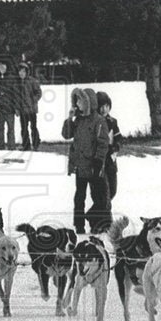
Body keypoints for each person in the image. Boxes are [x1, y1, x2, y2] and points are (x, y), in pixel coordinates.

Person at [62, 87, 110, 233]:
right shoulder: (78, 120)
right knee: (79, 197)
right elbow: (66, 135)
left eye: (80, 101)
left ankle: (97, 223)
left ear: (89, 103)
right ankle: (79, 225)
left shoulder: (99, 121)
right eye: (76, 101)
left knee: (98, 197)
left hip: (93, 166)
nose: (77, 104)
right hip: (80, 166)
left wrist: (98, 160)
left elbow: (103, 143)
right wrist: (70, 119)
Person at [96, 91, 123, 202]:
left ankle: (92, 215)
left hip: (111, 160)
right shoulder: (94, 122)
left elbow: (119, 138)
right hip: (98, 160)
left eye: (106, 106)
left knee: (113, 190)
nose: (104, 110)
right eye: (101, 106)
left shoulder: (113, 122)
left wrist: (116, 147)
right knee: (102, 193)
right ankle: (101, 217)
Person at [16, 61, 42, 151]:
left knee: (33, 127)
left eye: (23, 71)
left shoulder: (32, 81)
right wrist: (17, 108)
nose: (21, 73)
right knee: (24, 128)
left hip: (31, 109)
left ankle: (36, 144)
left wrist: (33, 100)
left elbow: (39, 92)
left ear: (27, 72)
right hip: (22, 110)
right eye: (20, 72)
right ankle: (26, 145)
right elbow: (16, 97)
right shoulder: (17, 83)